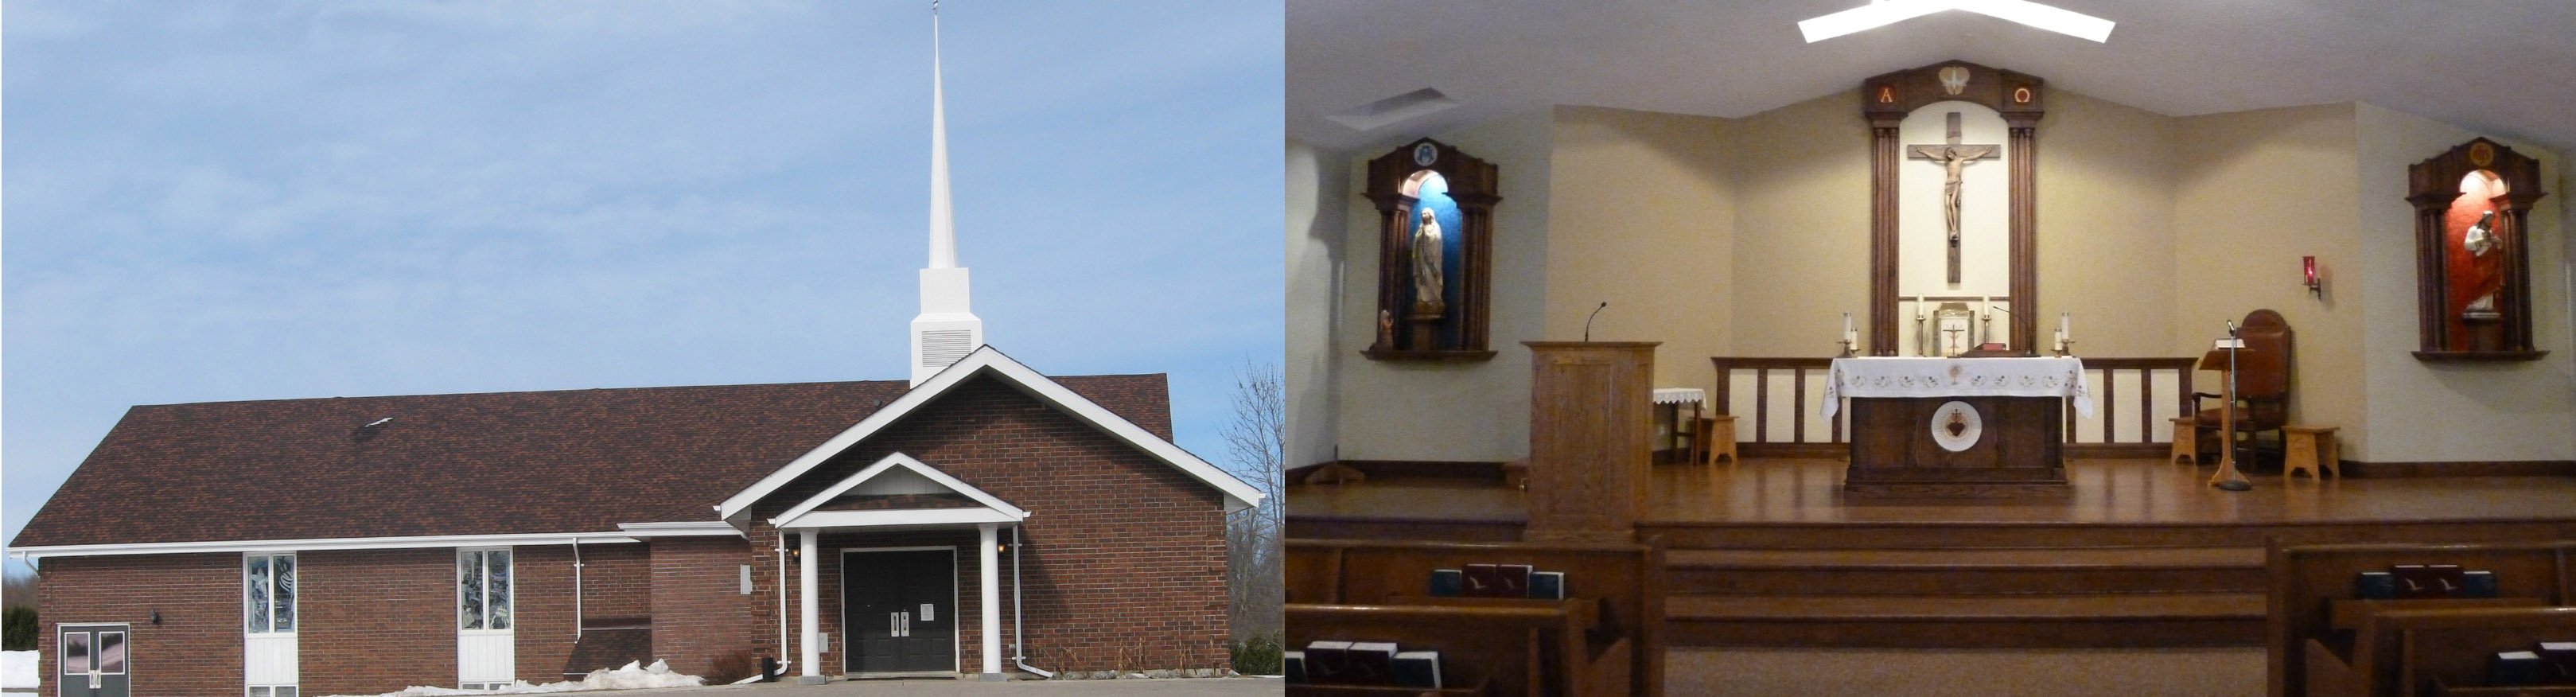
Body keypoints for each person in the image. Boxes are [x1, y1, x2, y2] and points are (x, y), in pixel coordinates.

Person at [1411, 208, 1446, 314]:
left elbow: (1437, 241)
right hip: (1421, 258)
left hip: (1431, 259)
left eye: (1425, 213)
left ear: (1431, 215)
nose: (1423, 215)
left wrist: (1426, 235)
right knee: (1422, 277)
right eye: (1422, 213)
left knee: (1430, 276)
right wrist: (1419, 238)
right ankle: (1422, 298)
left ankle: (1434, 298)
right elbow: (1417, 241)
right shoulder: (1421, 228)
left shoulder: (1435, 227)